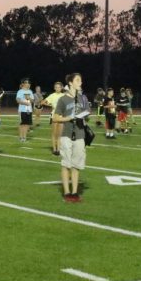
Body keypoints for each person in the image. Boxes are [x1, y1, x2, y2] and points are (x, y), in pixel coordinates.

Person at [54, 72, 89, 202]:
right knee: (66, 164)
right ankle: (67, 193)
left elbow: (87, 114)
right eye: (78, 80)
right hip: (66, 134)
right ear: (70, 83)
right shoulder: (63, 99)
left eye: (81, 80)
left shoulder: (82, 98)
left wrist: (84, 116)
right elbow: (55, 117)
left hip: (80, 134)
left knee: (76, 165)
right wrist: (68, 117)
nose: (80, 82)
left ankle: (74, 192)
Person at [42, 81, 64, 155]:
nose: (57, 88)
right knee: (54, 133)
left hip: (62, 116)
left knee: (60, 134)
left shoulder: (64, 95)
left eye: (59, 87)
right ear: (54, 88)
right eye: (56, 87)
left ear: (61, 88)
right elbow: (43, 102)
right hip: (54, 116)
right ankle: (54, 149)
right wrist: (51, 105)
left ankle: (59, 149)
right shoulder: (52, 95)